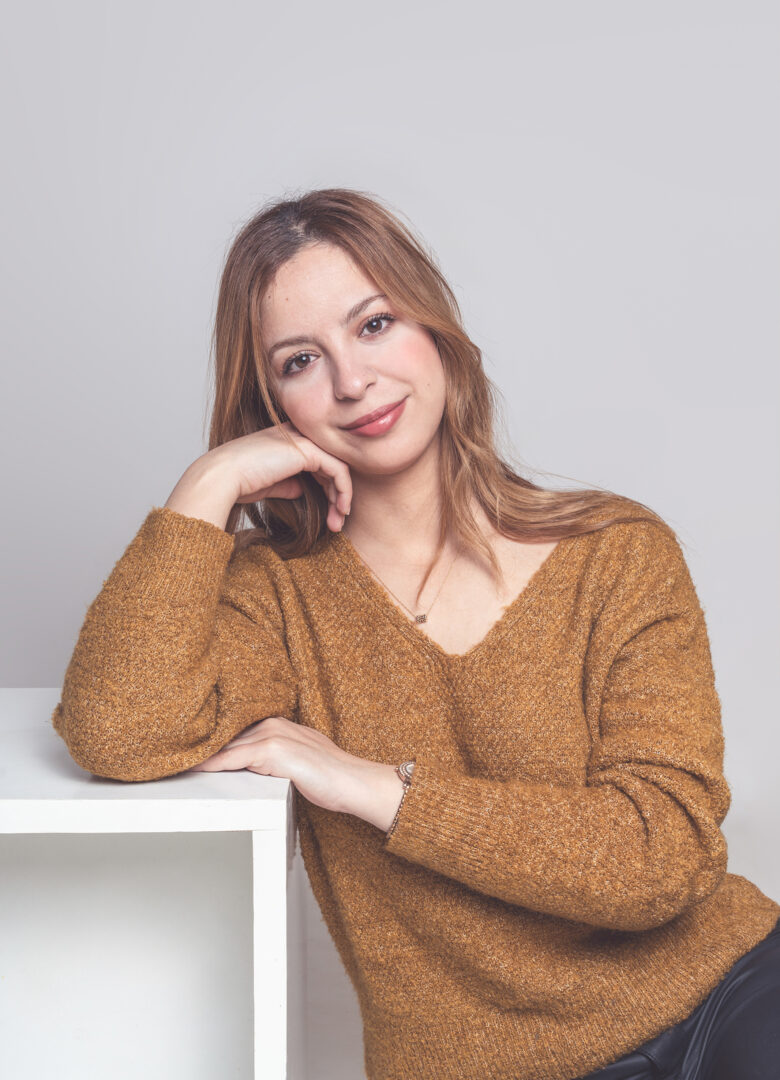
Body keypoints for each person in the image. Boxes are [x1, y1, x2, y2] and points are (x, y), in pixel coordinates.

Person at [53, 188, 780, 1080]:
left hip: (730, 990)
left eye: (373, 324)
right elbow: (117, 729)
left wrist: (373, 788)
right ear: (267, 399)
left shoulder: (616, 552)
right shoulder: (275, 597)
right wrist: (208, 485)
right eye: (299, 361)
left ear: (435, 328)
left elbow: (666, 856)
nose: (352, 383)